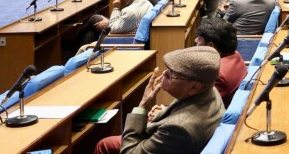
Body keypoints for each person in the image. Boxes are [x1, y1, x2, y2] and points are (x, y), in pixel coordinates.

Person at [94, 47, 224, 154]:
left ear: (194, 86)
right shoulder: (210, 90)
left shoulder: (178, 128)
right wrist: (166, 112)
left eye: (173, 74)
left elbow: (130, 152)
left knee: (104, 145)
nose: (164, 74)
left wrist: (143, 105)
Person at [77, 0, 153, 47]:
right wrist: (108, 22)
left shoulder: (130, 11)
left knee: (95, 18)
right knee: (89, 34)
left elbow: (113, 29)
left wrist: (116, 7)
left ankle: (73, 45)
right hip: (126, 30)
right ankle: (75, 49)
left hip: (123, 40)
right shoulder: (147, 3)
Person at [195, 18, 247, 107]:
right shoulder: (235, 55)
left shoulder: (217, 74)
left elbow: (201, 108)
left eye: (199, 39)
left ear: (211, 46)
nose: (196, 41)